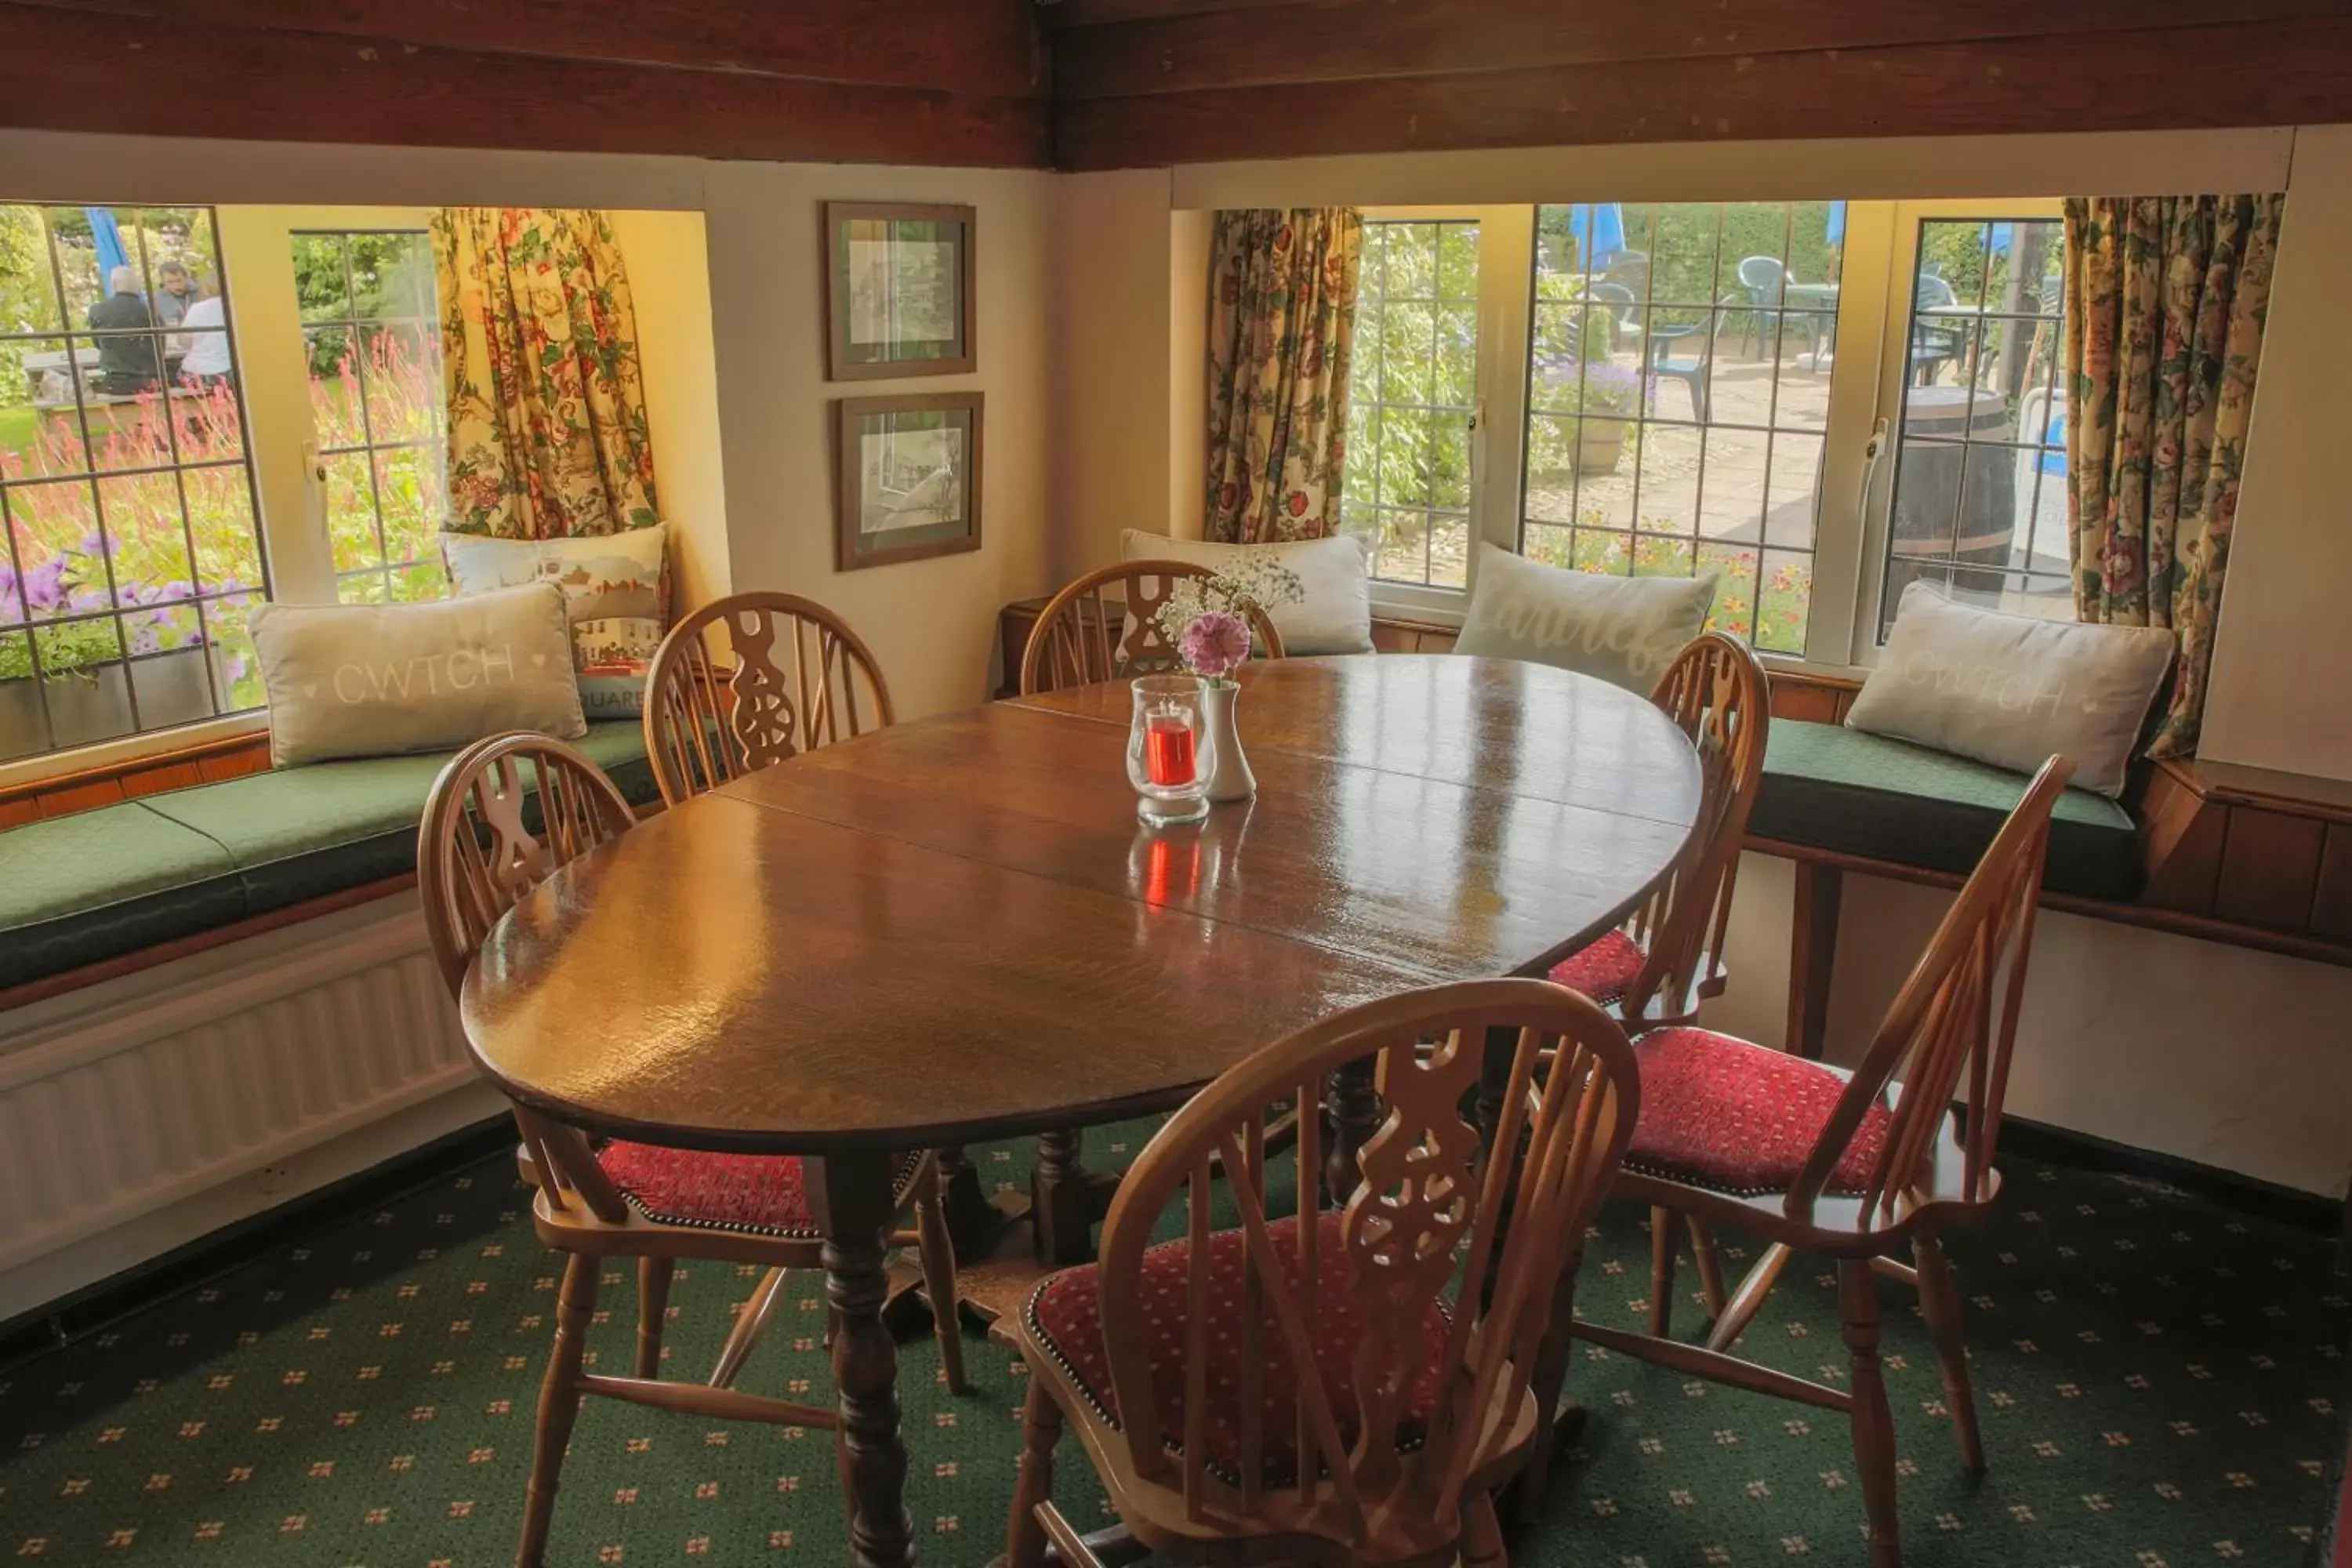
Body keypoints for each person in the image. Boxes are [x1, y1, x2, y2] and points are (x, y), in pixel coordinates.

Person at [86, 265, 160, 395]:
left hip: (115, 381)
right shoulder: (149, 312)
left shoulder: (98, 310)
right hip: (148, 380)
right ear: (137, 287)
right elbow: (160, 346)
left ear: (114, 285)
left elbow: (98, 343)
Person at [176, 291, 233, 390]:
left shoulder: (197, 308)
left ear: (206, 289)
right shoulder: (236, 307)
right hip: (226, 371)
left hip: (195, 370)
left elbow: (184, 342)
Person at [153, 258, 198, 329]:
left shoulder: (201, 294)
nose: (176, 286)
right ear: (163, 282)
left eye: (179, 280)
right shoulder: (156, 301)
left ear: (186, 278)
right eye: (170, 282)